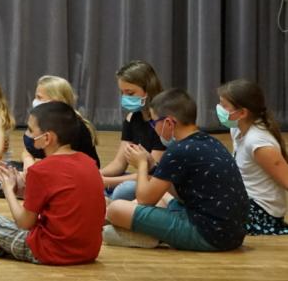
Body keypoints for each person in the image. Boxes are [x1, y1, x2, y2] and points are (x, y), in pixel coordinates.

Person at [103, 88, 247, 252]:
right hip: (232, 234)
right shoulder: (209, 141)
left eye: (154, 122)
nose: (153, 127)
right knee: (163, 195)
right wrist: (152, 167)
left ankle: (145, 235)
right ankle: (142, 230)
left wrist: (142, 164)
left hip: (208, 235)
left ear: (169, 123)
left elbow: (144, 199)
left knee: (115, 209)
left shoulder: (178, 150)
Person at [0, 102, 105, 265]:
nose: (27, 135)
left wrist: (8, 190)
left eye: (30, 130)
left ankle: (2, 246)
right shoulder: (89, 162)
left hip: (50, 252)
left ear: (47, 138)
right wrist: (20, 189)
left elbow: (24, 223)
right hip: (90, 252)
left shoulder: (41, 170)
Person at [217, 79, 288, 235]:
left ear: (242, 113)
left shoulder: (258, 142)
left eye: (224, 106)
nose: (219, 109)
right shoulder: (236, 129)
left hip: (261, 212)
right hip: (244, 200)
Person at [101, 60, 166, 198]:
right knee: (96, 186)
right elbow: (119, 163)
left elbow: (153, 174)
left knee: (123, 190)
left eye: (130, 93)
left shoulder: (161, 123)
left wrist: (106, 182)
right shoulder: (132, 117)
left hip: (159, 182)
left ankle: (112, 207)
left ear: (148, 90)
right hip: (141, 177)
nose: (125, 98)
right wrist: (95, 175)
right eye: (122, 93)